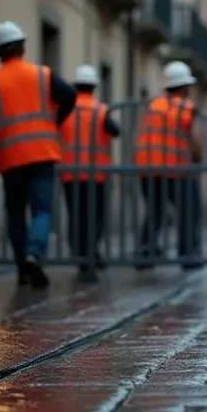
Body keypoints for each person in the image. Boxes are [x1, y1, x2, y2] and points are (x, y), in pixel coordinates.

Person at [0, 21, 77, 288]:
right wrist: (54, 121)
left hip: (10, 158)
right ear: (24, 47)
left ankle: (22, 270)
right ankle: (34, 254)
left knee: (15, 212)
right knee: (42, 211)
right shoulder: (42, 75)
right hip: (42, 153)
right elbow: (70, 95)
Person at [133, 61, 203, 270]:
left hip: (147, 169)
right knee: (190, 210)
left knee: (154, 211)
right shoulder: (185, 107)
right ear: (182, 87)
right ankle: (188, 254)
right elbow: (194, 139)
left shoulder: (154, 106)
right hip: (175, 170)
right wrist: (198, 157)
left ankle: (145, 253)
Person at [59, 64, 120, 272]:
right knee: (95, 215)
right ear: (94, 87)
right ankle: (92, 251)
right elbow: (115, 130)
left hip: (70, 173)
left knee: (75, 214)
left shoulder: (65, 109)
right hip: (96, 175)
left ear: (76, 86)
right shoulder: (100, 110)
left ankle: (79, 252)